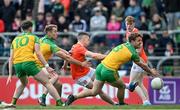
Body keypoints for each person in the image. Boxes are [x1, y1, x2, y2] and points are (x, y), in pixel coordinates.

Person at [65, 33, 159, 106]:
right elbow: (143, 65)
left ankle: (74, 96)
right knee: (121, 87)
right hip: (108, 70)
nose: (140, 43)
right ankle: (121, 103)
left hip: (100, 67)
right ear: (132, 41)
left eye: (141, 41)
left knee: (95, 92)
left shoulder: (125, 44)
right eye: (138, 41)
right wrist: (151, 72)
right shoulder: (132, 52)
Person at [6, 20, 63, 107]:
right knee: (47, 83)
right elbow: (38, 53)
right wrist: (47, 66)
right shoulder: (34, 37)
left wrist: (10, 74)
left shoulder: (15, 39)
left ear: (22, 28)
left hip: (17, 65)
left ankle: (12, 103)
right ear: (30, 28)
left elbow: (10, 58)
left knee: (23, 83)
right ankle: (60, 103)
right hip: (29, 63)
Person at [36, 24, 90, 106]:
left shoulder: (44, 40)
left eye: (56, 31)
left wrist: (66, 52)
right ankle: (42, 97)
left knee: (59, 85)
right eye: (54, 31)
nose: (56, 33)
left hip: (38, 65)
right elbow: (66, 58)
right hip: (37, 66)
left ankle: (58, 104)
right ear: (49, 33)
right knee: (55, 76)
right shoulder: (50, 44)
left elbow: (58, 48)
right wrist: (81, 63)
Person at [63, 32, 118, 105]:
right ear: (84, 39)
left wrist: (65, 65)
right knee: (97, 90)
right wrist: (108, 56)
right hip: (80, 76)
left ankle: (115, 103)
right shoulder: (79, 48)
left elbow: (67, 58)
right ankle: (74, 97)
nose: (89, 42)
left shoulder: (74, 46)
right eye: (88, 40)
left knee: (104, 78)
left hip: (87, 70)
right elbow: (94, 56)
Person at [125, 16, 151, 105]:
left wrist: (131, 55)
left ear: (134, 24)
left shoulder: (136, 34)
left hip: (139, 60)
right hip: (138, 60)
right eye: (127, 24)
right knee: (140, 83)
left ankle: (145, 101)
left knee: (132, 83)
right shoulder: (128, 32)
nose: (129, 26)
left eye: (130, 24)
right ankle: (148, 102)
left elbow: (139, 50)